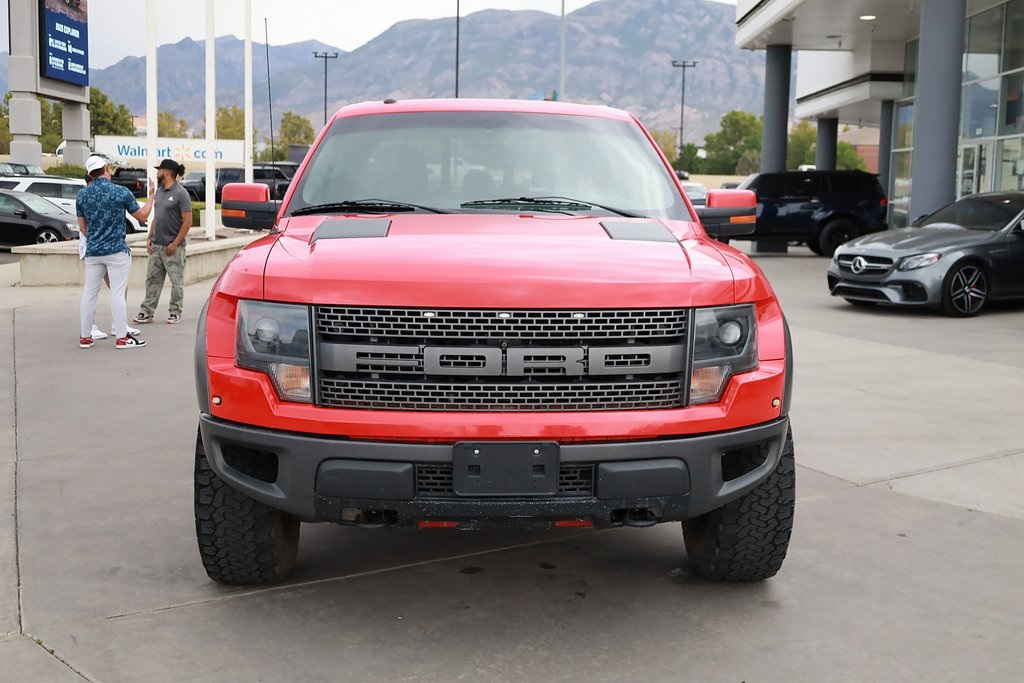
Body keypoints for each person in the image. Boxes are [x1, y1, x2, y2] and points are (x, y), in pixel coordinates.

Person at [77, 155, 154, 349]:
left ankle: (85, 337)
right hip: (116, 251)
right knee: (118, 294)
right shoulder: (120, 192)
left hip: (93, 251)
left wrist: (96, 238)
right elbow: (143, 216)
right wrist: (152, 196)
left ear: (90, 174)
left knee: (89, 293)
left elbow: (83, 228)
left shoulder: (82, 195)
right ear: (105, 168)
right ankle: (122, 337)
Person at [133, 159, 192, 325]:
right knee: (152, 279)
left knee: (176, 282)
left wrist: (175, 243)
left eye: (159, 170)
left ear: (166, 172)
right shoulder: (159, 192)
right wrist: (149, 236)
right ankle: (147, 311)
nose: (157, 173)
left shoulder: (181, 194)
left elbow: (187, 222)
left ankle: (175, 312)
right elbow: (157, 217)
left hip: (173, 247)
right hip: (157, 246)